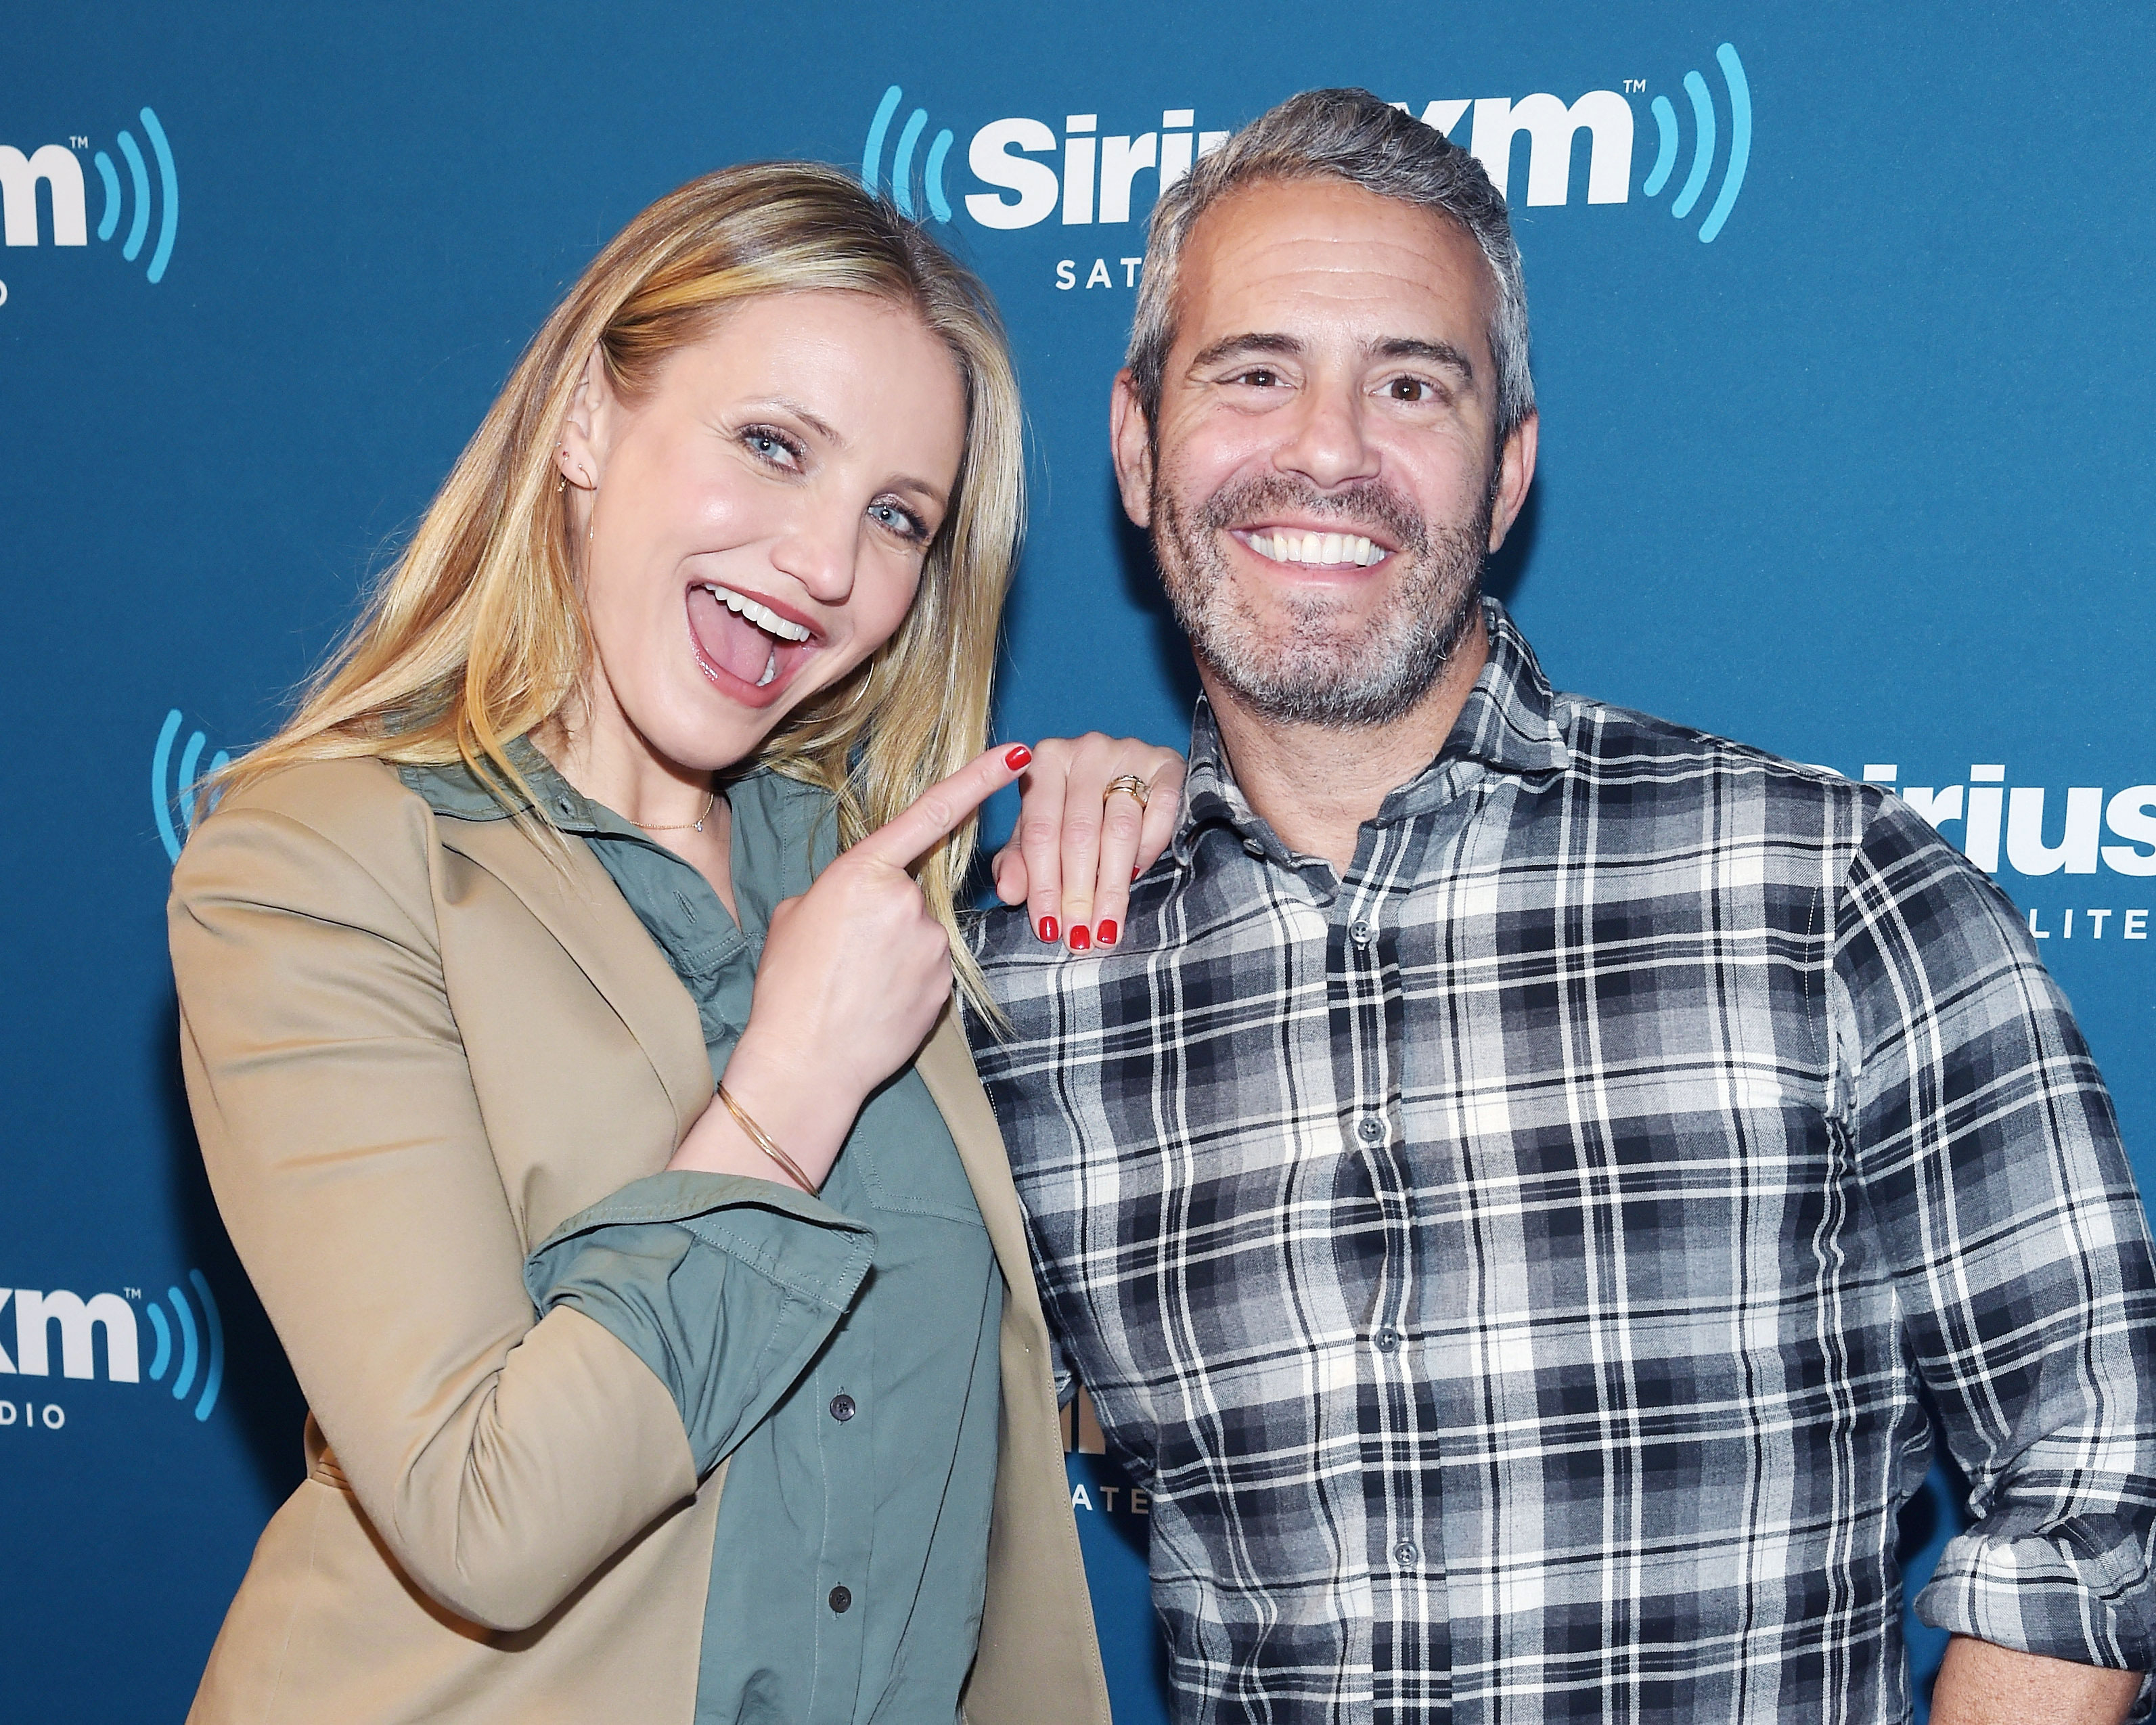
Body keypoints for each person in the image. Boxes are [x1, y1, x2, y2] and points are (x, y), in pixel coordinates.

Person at [968, 89, 2156, 1724]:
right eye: (1256, 372)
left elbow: (2098, 1473)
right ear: (1132, 442)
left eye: (1411, 383)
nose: (1327, 446)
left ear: (1509, 466)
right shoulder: (1026, 978)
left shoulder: (1825, 892)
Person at [169, 162, 1177, 1725]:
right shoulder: (316, 865)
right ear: (585, 418)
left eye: (896, 516)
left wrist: (1159, 797)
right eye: (772, 445)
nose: (827, 568)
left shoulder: (880, 879)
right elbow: (482, 1513)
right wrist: (786, 1092)